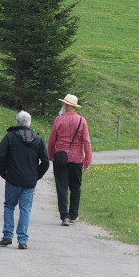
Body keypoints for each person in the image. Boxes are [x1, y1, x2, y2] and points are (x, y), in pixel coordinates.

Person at [0, 111, 50, 250]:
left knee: (9, 206)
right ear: (29, 123)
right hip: (29, 180)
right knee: (25, 209)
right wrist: (36, 175)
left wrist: (3, 172)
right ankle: (23, 240)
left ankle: (7, 235)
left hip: (13, 178)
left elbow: (0, 155)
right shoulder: (38, 139)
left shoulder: (10, 137)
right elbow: (45, 161)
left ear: (17, 122)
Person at [47, 94, 92, 226]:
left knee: (61, 187)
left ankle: (64, 216)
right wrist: (87, 160)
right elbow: (86, 141)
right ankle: (73, 214)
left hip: (60, 157)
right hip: (77, 158)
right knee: (75, 186)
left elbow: (52, 139)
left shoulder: (58, 120)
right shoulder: (81, 120)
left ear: (66, 105)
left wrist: (51, 155)